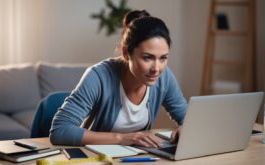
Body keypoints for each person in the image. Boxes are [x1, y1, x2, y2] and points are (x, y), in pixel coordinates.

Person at [50, 10, 187, 147]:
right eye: (147, 57)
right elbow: (60, 131)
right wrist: (121, 138)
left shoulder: (164, 77)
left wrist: (185, 127)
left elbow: (188, 118)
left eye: (163, 58)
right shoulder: (98, 76)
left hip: (138, 159)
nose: (156, 68)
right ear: (126, 53)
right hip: (98, 159)